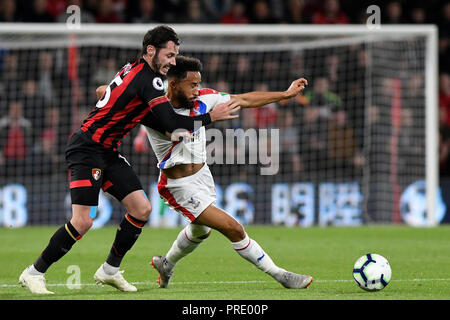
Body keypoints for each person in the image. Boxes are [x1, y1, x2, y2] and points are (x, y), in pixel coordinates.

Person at [18, 25, 240, 295]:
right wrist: (210, 118)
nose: (172, 62)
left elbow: (113, 95)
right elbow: (170, 123)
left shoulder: (134, 69)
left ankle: (109, 270)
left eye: (174, 56)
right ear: (151, 50)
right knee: (83, 221)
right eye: (169, 56)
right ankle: (34, 272)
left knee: (141, 209)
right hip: (87, 149)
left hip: (107, 150)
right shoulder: (149, 80)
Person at [111, 55, 313, 289]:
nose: (198, 90)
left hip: (203, 176)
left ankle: (166, 264)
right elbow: (104, 92)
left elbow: (243, 99)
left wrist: (285, 95)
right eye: (193, 85)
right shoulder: (154, 105)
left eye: (199, 84)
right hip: (178, 185)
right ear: (174, 84)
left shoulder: (206, 98)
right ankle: (281, 275)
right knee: (233, 228)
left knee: (201, 231)